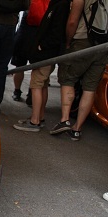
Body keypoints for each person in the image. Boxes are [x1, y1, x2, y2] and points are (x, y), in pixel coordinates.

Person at [50, 0, 108, 140]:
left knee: (68, 79)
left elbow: (72, 21)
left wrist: (68, 42)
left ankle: (65, 120)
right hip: (103, 46)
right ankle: (77, 129)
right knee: (90, 88)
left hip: (82, 41)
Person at [13, 0, 71, 132]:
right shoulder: (59, 4)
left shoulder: (61, 5)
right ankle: (40, 116)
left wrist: (42, 46)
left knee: (37, 84)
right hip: (48, 51)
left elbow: (57, 32)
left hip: (46, 51)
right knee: (43, 84)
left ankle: (35, 121)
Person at [11, 0, 50, 102]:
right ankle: (31, 95)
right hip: (42, 32)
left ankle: (17, 91)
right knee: (37, 67)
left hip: (25, 32)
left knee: (19, 66)